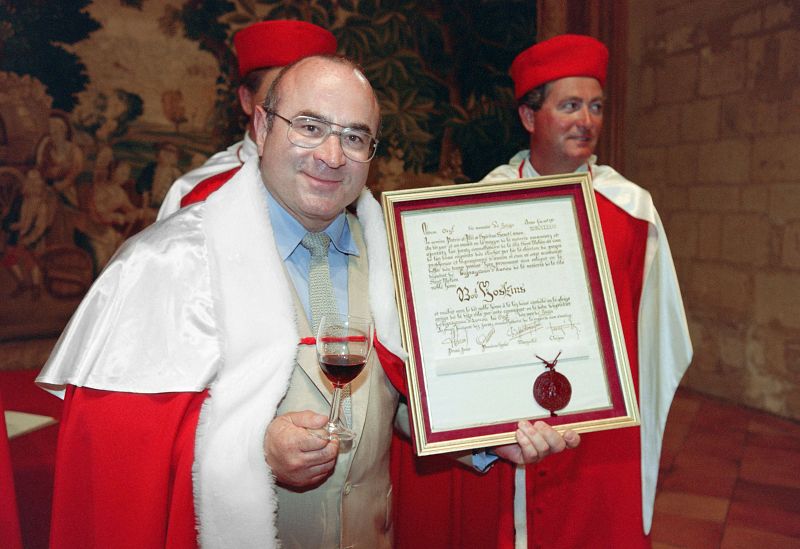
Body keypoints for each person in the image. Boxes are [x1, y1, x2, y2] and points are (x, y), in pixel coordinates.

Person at [37, 54, 575, 549]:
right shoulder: (169, 261)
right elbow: (120, 450)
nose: (332, 155)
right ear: (263, 127)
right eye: (310, 127)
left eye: (356, 137)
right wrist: (255, 451)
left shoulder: (398, 255)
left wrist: (486, 437)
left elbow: (409, 398)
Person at [391, 34, 693, 549]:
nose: (587, 120)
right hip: (509, 428)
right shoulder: (483, 203)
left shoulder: (632, 210)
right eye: (570, 105)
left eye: (596, 107)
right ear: (530, 117)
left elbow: (655, 333)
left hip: (601, 435)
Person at [156, 19, 337, 220]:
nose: (297, 114)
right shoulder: (196, 193)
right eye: (278, 98)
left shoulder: (341, 186)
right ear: (246, 99)